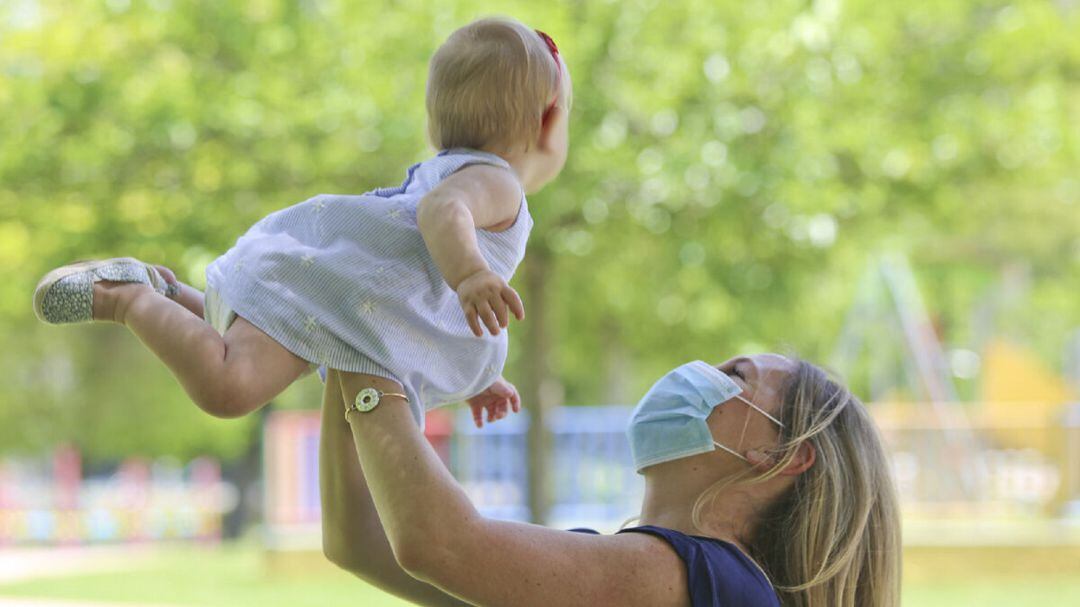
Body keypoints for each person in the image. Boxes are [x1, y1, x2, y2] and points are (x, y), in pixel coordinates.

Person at [31, 17, 571, 429]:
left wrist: (474, 376)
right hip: (328, 295)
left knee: (242, 336)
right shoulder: (496, 183)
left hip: (325, 292)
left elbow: (423, 306)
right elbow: (441, 216)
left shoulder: (450, 171)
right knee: (228, 387)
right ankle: (126, 298)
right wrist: (473, 275)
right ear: (546, 124)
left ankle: (168, 293)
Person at [321, 354, 901, 606]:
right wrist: (354, 346)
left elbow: (442, 544)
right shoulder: (644, 572)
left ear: (782, 453)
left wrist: (370, 337)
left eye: (733, 375)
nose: (698, 375)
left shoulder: (704, 579)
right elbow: (361, 543)